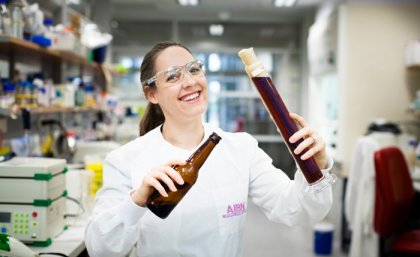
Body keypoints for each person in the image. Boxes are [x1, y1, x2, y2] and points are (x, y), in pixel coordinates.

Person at [85, 41, 334, 257]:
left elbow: (298, 211)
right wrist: (137, 199)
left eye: (194, 69)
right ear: (152, 94)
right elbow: (100, 249)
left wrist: (315, 166)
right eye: (173, 76)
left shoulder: (240, 148)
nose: (190, 82)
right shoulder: (125, 159)